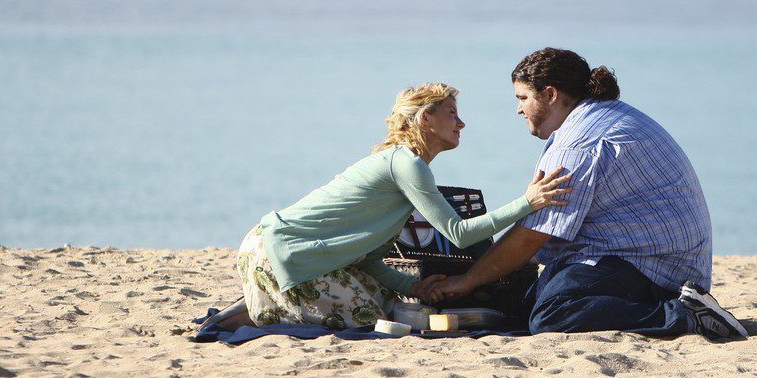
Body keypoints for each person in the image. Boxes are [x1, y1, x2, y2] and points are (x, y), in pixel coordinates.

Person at [423, 49, 748, 341]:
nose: (518, 111)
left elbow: (533, 234)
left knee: (553, 314)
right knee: (520, 307)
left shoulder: (579, 142)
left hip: (655, 269)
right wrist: (486, 273)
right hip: (643, 256)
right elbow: (544, 234)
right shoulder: (594, 119)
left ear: (549, 94)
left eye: (522, 98)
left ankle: (685, 316)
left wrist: (467, 281)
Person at [208, 82, 572, 331]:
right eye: (451, 113)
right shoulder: (408, 164)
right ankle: (259, 311)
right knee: (373, 318)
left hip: (272, 245)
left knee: (387, 298)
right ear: (425, 119)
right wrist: (527, 202)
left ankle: (255, 307)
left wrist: (410, 288)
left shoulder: (403, 163)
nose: (461, 123)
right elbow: (459, 234)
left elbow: (366, 258)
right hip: (281, 252)